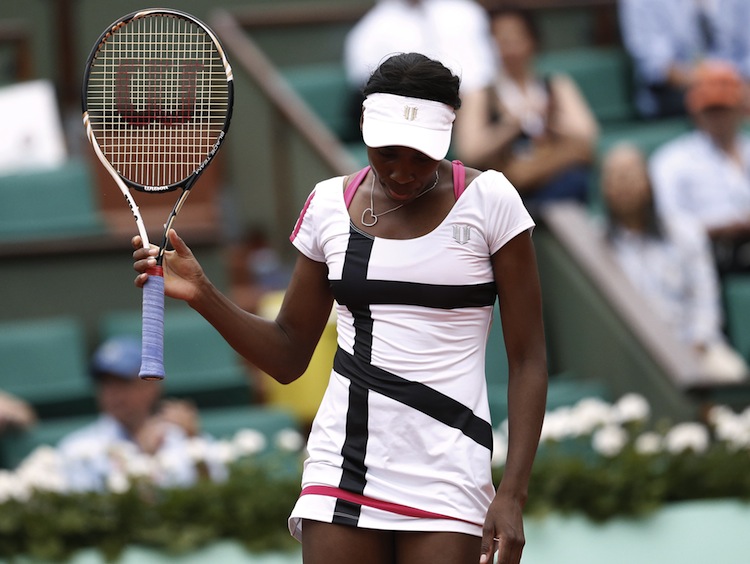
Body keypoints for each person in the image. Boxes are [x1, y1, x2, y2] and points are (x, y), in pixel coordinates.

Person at [132, 53, 547, 564]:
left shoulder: (492, 200)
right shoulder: (328, 204)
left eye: (421, 155)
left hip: (450, 470)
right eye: (387, 151)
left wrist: (512, 493)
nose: (402, 171)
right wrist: (203, 294)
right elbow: (287, 355)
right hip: (342, 464)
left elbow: (528, 359)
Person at [601, 143, 748, 383]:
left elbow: (705, 299)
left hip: (694, 348)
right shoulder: (597, 244)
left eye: (629, 175)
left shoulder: (685, 232)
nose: (622, 184)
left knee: (731, 374)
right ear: (604, 188)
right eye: (614, 177)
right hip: (634, 358)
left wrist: (695, 347)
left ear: (648, 182)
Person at [454, 6, 599, 209]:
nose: (510, 48)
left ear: (533, 40)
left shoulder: (555, 84)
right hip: (503, 197)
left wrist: (551, 119)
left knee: (575, 180)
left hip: (556, 185)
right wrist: (512, 125)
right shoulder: (480, 93)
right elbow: (469, 152)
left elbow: (587, 137)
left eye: (516, 39)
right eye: (502, 41)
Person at [57, 335, 226, 492]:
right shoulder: (77, 448)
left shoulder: (184, 436)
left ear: (153, 385)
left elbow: (216, 497)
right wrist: (144, 458)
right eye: (105, 383)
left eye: (123, 383)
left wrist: (194, 444)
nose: (113, 393)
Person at [341, 0, 496, 142]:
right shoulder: (373, 28)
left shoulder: (465, 12)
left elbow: (483, 69)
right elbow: (366, 85)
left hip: (461, 99)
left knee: (479, 92)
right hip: (402, 107)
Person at [649, 60, 750, 274]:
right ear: (695, 112)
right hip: (702, 254)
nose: (718, 118)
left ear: (739, 109)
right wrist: (721, 228)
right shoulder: (672, 160)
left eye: (724, 109)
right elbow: (667, 223)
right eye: (711, 110)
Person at [619, 0, 750, 118]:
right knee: (715, 100)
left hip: (738, 83)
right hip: (673, 92)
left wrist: (737, 85)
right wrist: (715, 86)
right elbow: (657, 65)